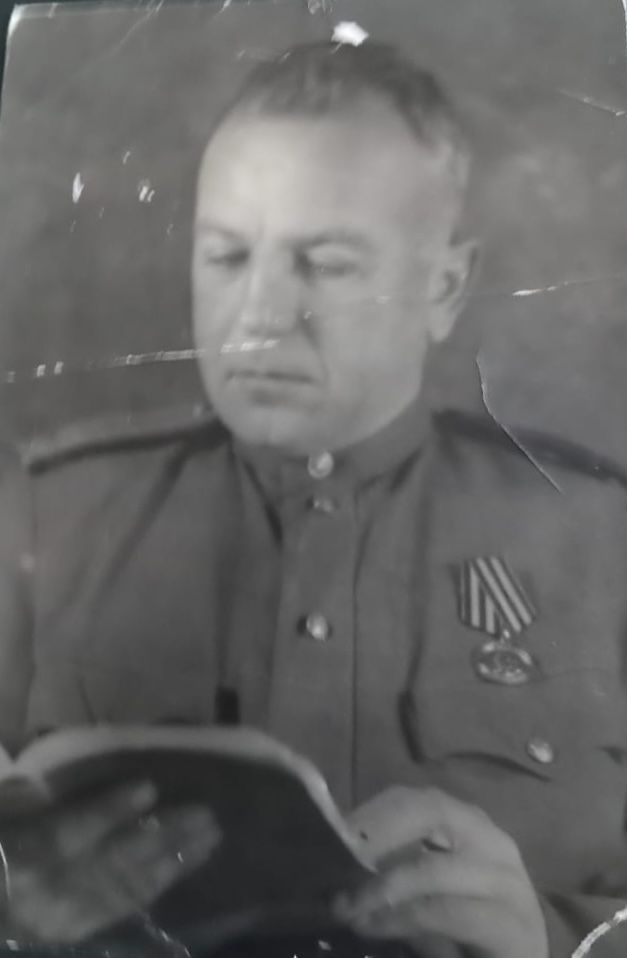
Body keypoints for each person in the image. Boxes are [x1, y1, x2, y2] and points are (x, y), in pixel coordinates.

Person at [0, 39, 625, 958]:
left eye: (325, 265)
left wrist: (556, 941)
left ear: (443, 287)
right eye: (226, 256)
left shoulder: (600, 540)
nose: (258, 314)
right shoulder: (44, 514)